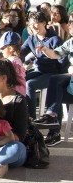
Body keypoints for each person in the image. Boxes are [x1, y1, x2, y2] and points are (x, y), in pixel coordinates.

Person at [33, 13, 73, 146]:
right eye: (69, 21)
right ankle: (52, 121)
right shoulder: (71, 42)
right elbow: (55, 54)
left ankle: (53, 127)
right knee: (55, 82)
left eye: (72, 22)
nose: (69, 25)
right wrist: (44, 49)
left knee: (57, 85)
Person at [21, 11, 66, 119]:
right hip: (39, 70)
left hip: (53, 73)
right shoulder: (32, 38)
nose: (33, 26)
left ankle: (32, 119)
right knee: (19, 79)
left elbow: (62, 61)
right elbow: (21, 52)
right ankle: (23, 116)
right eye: (31, 24)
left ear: (44, 23)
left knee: (30, 84)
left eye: (36, 23)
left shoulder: (54, 39)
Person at [0, 32, 26, 96]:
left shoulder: (12, 62)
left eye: (2, 48)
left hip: (14, 94)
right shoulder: (16, 60)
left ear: (10, 48)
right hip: (18, 92)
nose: (1, 51)